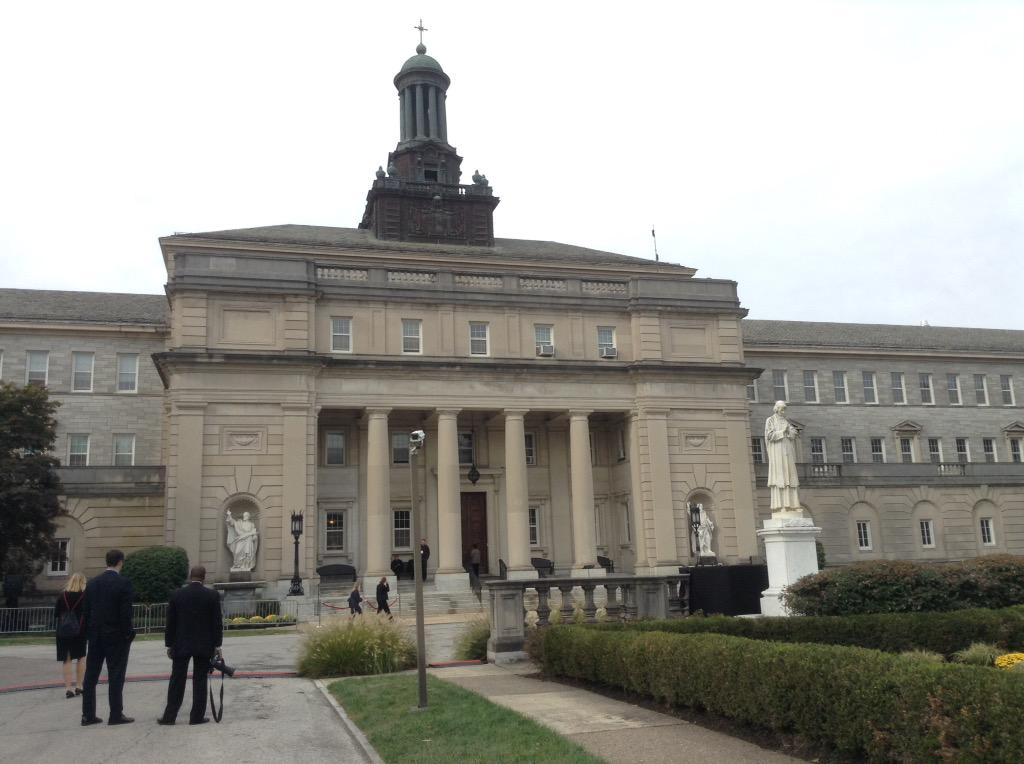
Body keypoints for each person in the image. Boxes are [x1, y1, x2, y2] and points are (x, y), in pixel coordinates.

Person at [158, 565, 223, 726]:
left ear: (190, 576)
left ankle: (169, 716)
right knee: (200, 680)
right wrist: (217, 645)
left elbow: (171, 622)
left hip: (181, 643)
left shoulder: (177, 594)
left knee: (177, 680)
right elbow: (217, 623)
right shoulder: (212, 595)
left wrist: (169, 644)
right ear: (204, 577)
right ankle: (196, 717)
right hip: (204, 644)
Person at [81, 549, 135, 726]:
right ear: (120, 562)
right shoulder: (124, 583)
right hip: (116, 635)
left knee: (91, 676)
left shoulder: (93, 583)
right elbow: (125, 613)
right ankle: (115, 714)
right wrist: (128, 633)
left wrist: (90, 632)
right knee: (116, 675)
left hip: (96, 635)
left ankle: (88, 714)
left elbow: (86, 611)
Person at [765, 400, 802, 512]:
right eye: (781, 409)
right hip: (777, 452)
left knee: (790, 477)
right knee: (780, 478)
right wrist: (782, 432)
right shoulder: (770, 420)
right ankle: (781, 506)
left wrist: (792, 432)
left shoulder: (786, 421)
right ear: (776, 409)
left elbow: (793, 433)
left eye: (784, 409)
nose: (783, 411)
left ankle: (793, 505)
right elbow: (769, 435)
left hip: (787, 451)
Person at [55, 572, 88, 699]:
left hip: (63, 630)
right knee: (81, 657)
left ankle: (68, 688)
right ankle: (79, 685)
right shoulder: (85, 596)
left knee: (66, 659)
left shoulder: (62, 595)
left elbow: (56, 613)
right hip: (80, 630)